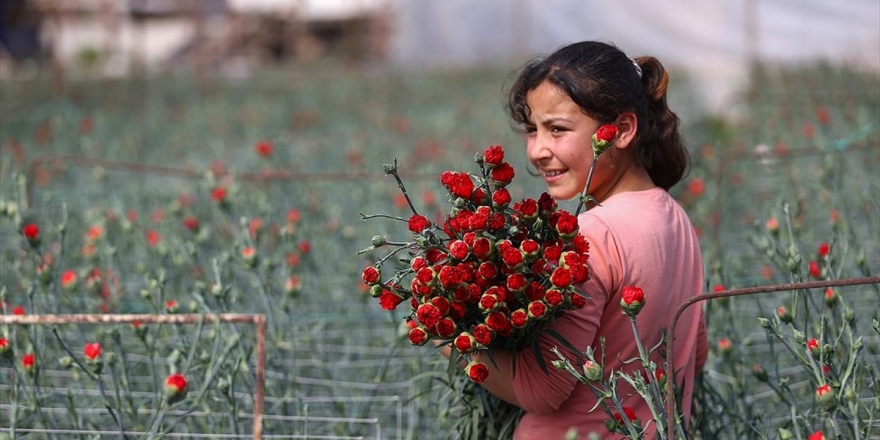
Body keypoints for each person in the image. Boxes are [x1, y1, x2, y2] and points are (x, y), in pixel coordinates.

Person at [442, 41, 708, 439]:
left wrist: (451, 336)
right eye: (532, 130)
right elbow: (694, 354)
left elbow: (543, 389)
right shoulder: (676, 219)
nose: (537, 150)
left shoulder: (590, 236)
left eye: (557, 129)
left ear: (621, 131)